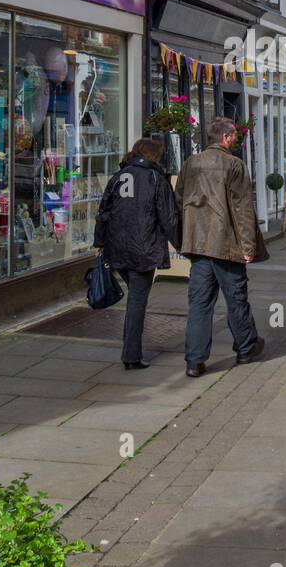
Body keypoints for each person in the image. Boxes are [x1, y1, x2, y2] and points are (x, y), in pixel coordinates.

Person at [175, 116, 267, 377]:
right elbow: (243, 209)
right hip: (226, 243)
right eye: (234, 136)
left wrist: (187, 235)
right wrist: (248, 246)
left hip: (199, 244)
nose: (236, 139)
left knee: (199, 304)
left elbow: (179, 199)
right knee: (236, 298)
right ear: (225, 138)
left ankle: (194, 361)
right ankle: (246, 347)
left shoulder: (191, 163)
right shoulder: (234, 165)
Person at [93, 136, 181, 370]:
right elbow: (169, 218)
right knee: (137, 301)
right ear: (155, 155)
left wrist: (99, 242)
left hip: (117, 248)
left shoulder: (119, 176)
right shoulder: (156, 178)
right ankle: (131, 354)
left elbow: (103, 211)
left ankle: (131, 347)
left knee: (135, 297)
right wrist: (183, 245)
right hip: (143, 249)